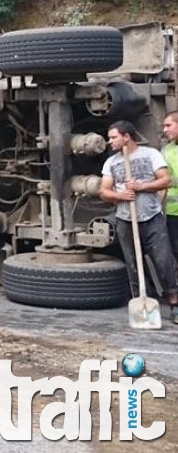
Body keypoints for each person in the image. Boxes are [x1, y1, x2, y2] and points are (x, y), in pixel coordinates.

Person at [99, 120, 178, 324]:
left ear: (127, 137)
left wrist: (140, 186)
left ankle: (175, 303)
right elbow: (104, 191)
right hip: (125, 218)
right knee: (133, 262)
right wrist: (120, 196)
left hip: (151, 216)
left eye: (114, 137)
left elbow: (165, 180)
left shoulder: (150, 154)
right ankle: (141, 302)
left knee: (163, 261)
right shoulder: (112, 162)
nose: (110, 142)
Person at [161, 111, 178, 268]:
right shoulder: (166, 150)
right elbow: (161, 182)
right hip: (173, 214)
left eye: (168, 125)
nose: (165, 130)